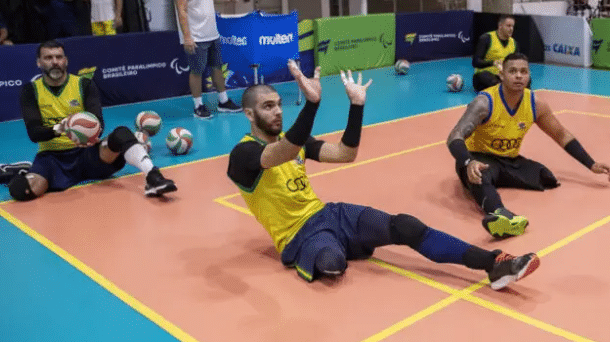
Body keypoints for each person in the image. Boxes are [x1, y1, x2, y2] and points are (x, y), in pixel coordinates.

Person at [227, 61, 540, 289]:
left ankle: (494, 263)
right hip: (298, 236)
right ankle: (330, 253)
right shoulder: (243, 155)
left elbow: (345, 154)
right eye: (268, 107)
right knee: (332, 263)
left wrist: (356, 107)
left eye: (279, 104)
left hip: (330, 214)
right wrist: (312, 104)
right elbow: (279, 153)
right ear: (249, 114)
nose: (278, 111)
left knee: (405, 225)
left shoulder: (294, 142)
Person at [446, 52, 610, 239]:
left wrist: (591, 164)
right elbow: (454, 136)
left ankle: (493, 184)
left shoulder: (535, 104)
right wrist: (468, 162)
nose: (518, 76)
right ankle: (500, 216)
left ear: (529, 75)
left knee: (546, 177)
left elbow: (561, 134)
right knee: (480, 175)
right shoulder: (484, 102)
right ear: (502, 75)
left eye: (524, 71)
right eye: (513, 71)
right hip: (478, 157)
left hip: (509, 160)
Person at [0, 41, 177, 201]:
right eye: (48, 58)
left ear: (66, 61)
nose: (54, 62)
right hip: (52, 159)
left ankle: (154, 177)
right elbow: (34, 133)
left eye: (59, 57)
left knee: (121, 133)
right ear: (39, 62)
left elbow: (99, 122)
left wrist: (88, 134)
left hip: (87, 154)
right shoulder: (30, 90)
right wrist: (63, 128)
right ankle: (20, 171)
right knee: (20, 191)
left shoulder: (83, 84)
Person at [172, 0, 241, 119]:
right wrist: (187, 37)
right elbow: (181, 9)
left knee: (217, 68)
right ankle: (198, 106)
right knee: (196, 71)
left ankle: (224, 101)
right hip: (196, 35)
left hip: (212, 33)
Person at [471, 15, 515, 93]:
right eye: (508, 26)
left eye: (512, 26)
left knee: (526, 80)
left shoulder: (514, 43)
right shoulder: (486, 38)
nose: (511, 29)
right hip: (485, 75)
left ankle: (506, 87)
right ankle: (504, 88)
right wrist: (493, 62)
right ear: (500, 26)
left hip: (503, 76)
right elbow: (475, 62)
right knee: (486, 79)